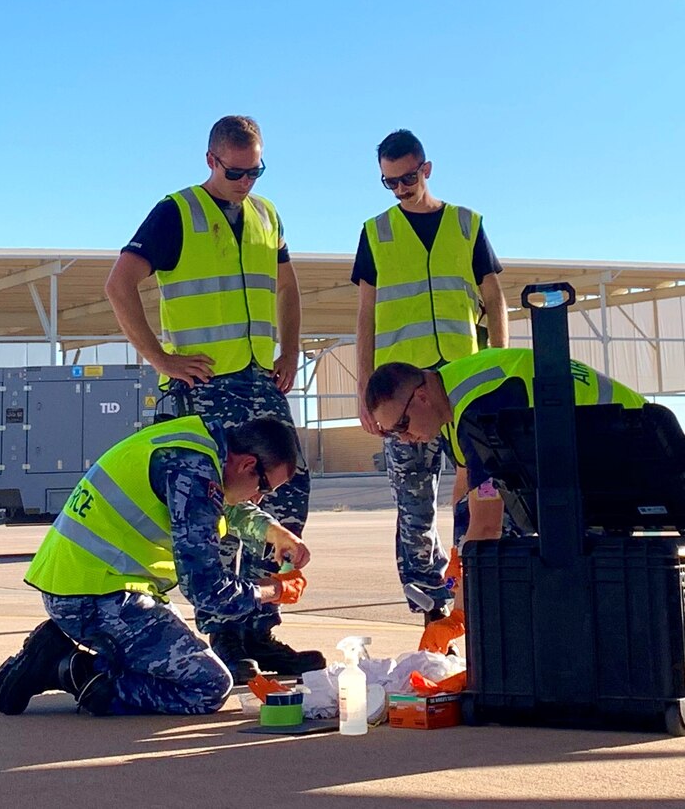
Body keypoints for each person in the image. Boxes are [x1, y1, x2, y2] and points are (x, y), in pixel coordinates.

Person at [102, 114, 317, 677]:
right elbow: (118, 283)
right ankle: (224, 634)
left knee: (285, 492)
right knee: (217, 504)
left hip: (258, 379)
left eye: (257, 171)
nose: (247, 182)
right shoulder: (177, 211)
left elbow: (288, 287)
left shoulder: (267, 215)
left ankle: (258, 628)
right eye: (237, 171)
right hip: (206, 386)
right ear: (211, 161)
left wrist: (289, 350)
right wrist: (161, 359)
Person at [0, 414, 310, 717]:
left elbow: (224, 501)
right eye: (264, 487)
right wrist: (274, 591)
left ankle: (63, 654)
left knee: (171, 655)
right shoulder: (193, 472)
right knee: (208, 687)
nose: (259, 498)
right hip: (95, 597)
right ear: (247, 464)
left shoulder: (199, 444)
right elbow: (207, 591)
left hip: (88, 584)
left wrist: (274, 533)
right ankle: (71, 669)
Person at [362, 346, 646, 642]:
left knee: (580, 570)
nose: (404, 440)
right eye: (392, 434)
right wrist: (460, 555)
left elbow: (488, 524)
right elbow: (468, 485)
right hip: (594, 448)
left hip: (633, 437)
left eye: (402, 426)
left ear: (421, 397)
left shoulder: (479, 407)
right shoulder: (448, 400)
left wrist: (459, 612)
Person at [351, 129, 506, 629]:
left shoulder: (466, 224)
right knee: (414, 508)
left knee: (476, 493)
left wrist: (497, 367)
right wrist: (364, 393)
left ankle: (474, 597)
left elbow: (494, 298)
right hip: (402, 400)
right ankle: (428, 607)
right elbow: (366, 316)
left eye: (408, 177)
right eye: (389, 182)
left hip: (462, 390)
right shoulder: (376, 232)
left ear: (427, 168)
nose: (400, 188)